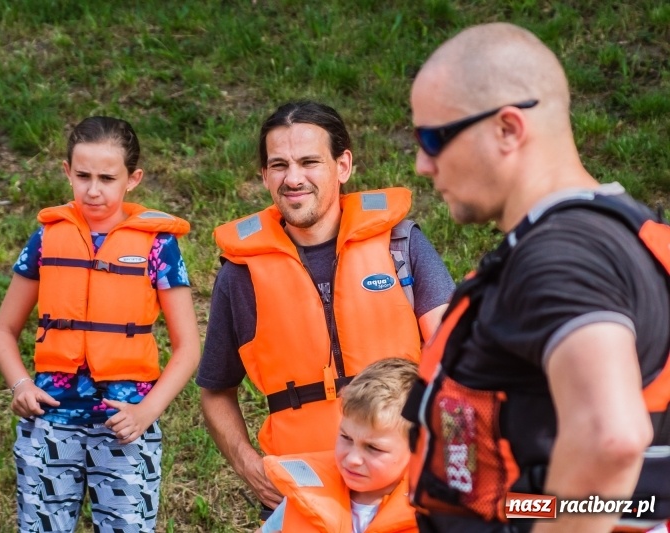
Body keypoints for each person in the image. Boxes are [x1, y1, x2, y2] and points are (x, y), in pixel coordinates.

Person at [402, 22, 670, 533]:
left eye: (433, 138)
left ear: (508, 128)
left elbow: (608, 436)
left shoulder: (561, 257)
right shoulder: (617, 233)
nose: (422, 164)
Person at [197, 101, 455, 518]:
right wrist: (250, 467)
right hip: (301, 497)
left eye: (309, 161)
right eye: (278, 165)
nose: (293, 178)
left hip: (405, 489)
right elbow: (215, 390)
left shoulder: (401, 246)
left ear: (343, 165)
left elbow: (459, 363)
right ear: (264, 176)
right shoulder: (240, 275)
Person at [0, 116, 200, 533]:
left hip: (125, 428)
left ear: (132, 179)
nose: (93, 189)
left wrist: (147, 413)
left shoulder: (159, 245)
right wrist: (20, 385)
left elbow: (189, 346)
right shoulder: (47, 239)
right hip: (49, 425)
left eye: (107, 177)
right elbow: (2, 331)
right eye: (82, 175)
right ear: (67, 171)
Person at [257, 358, 419, 533]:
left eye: (373, 448)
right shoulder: (305, 497)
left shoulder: (436, 516)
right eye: (346, 437)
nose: (352, 459)